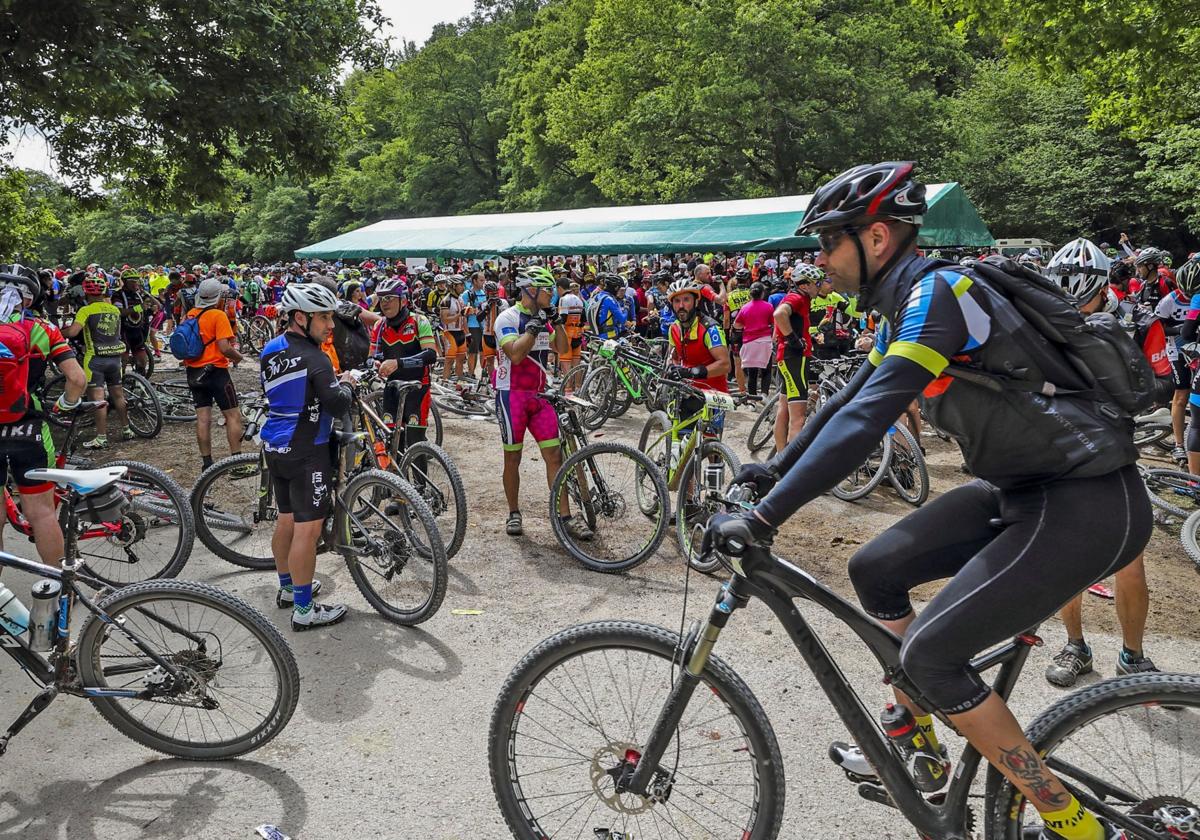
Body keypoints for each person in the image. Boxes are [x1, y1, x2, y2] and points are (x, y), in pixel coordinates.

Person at [715, 162, 1146, 840]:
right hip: (1025, 489)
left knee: (934, 659)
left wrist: (764, 519)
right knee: (875, 570)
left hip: (1085, 502)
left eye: (827, 242)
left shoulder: (938, 296)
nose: (819, 259)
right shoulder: (906, 304)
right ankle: (921, 750)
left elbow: (868, 423)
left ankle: (1075, 825)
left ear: (877, 238)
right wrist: (767, 473)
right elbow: (846, 405)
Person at [1043, 237, 1169, 688]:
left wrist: (1120, 373)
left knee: (1130, 563)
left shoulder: (1138, 320)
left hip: (1114, 457)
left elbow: (1163, 381)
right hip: (1061, 456)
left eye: (1082, 299)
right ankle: (1076, 646)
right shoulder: (1042, 323)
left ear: (1103, 289)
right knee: (1066, 561)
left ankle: (1132, 656)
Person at [261, 283, 355, 630]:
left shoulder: (270, 349)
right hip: (307, 450)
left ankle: (288, 589)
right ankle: (304, 611)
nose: (331, 324)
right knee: (307, 529)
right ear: (301, 317)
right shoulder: (317, 358)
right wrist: (347, 384)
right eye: (324, 317)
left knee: (286, 519)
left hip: (276, 445)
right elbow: (337, 403)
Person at [494, 266, 591, 541]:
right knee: (513, 457)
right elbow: (515, 354)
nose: (552, 295)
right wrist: (534, 328)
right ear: (530, 290)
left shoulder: (544, 316)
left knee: (555, 456)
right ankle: (513, 512)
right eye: (548, 290)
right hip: (511, 394)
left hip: (539, 395)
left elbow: (562, 349)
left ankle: (565, 517)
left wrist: (557, 322)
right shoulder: (507, 317)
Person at [0, 265, 87, 566]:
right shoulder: (43, 329)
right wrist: (65, 405)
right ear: (30, 297)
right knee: (42, 513)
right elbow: (77, 379)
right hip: (29, 427)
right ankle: (57, 594)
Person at [370, 279, 437, 462]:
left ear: (403, 300)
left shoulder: (418, 321)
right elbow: (372, 357)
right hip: (392, 389)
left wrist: (398, 363)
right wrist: (374, 364)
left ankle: (421, 489)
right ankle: (398, 488)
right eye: (382, 298)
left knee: (415, 442)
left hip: (418, 388)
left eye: (390, 298)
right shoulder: (379, 326)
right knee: (393, 441)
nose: (385, 303)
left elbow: (430, 355)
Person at [62, 277, 130, 449]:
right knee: (119, 395)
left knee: (98, 399)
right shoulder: (114, 309)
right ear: (104, 291)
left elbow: (73, 331)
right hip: (115, 357)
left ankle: (101, 437)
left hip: (95, 359)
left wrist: (60, 331)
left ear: (85, 292)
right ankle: (127, 429)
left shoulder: (86, 310)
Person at [184, 278, 244, 470]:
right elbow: (224, 347)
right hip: (216, 372)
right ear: (218, 296)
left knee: (202, 418)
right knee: (233, 416)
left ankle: (207, 463)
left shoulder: (190, 315)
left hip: (194, 372)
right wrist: (238, 357)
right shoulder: (218, 315)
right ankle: (237, 464)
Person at [772, 263, 820, 452]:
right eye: (816, 282)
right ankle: (790, 466)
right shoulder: (797, 297)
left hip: (788, 357)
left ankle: (781, 458)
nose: (819, 285)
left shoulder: (801, 298)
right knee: (798, 417)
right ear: (805, 285)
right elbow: (779, 314)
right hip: (795, 358)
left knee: (784, 409)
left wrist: (808, 337)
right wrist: (794, 340)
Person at [112, 268, 159, 376]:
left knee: (142, 361)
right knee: (122, 360)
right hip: (123, 332)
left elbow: (159, 306)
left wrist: (151, 307)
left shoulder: (139, 294)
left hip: (138, 333)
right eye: (132, 281)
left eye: (136, 281)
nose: (135, 284)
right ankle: (120, 382)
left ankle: (139, 383)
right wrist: (138, 308)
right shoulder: (118, 295)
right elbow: (118, 312)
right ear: (124, 281)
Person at [733, 281, 773, 396]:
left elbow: (736, 325)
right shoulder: (768, 306)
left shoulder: (745, 308)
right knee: (766, 370)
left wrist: (746, 325)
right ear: (762, 293)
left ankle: (752, 400)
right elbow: (773, 322)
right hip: (765, 341)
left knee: (752, 373)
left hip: (749, 342)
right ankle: (764, 395)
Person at [462, 271, 488, 380]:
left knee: (484, 351)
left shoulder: (485, 293)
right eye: (481, 280)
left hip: (484, 325)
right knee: (473, 352)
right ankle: (471, 374)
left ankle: (483, 375)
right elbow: (461, 311)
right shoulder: (467, 294)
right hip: (473, 325)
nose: (483, 282)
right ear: (474, 281)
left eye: (484, 280)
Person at [586, 273, 628, 340]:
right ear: (616, 288)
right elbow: (622, 320)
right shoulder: (609, 299)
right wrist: (626, 308)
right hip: (609, 336)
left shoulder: (597, 295)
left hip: (596, 335)